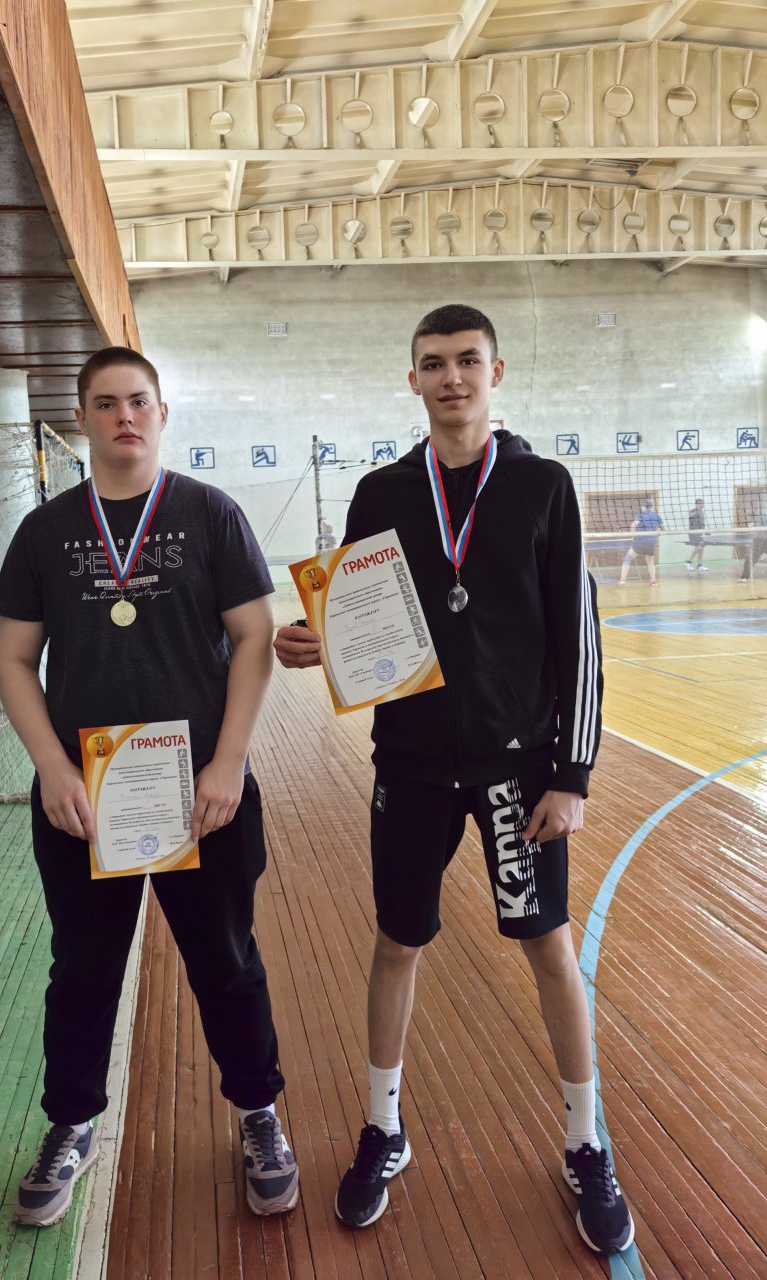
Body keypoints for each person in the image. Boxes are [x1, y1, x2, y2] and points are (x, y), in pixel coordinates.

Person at [274, 304, 634, 1256]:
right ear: (414, 380)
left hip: (520, 770)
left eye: (467, 360)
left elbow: (579, 642)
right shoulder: (382, 493)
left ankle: (585, 1142)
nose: (451, 379)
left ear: (495, 371)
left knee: (548, 946)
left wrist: (572, 775)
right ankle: (383, 1128)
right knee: (397, 942)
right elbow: (362, 626)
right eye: (433, 364)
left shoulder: (545, 486)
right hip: (414, 765)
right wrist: (314, 645)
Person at [0, 347, 298, 1227]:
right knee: (83, 970)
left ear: (162, 414)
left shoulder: (209, 513)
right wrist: (51, 765)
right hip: (84, 798)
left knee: (227, 962)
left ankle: (258, 1113)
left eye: (137, 401)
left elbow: (254, 637)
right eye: (105, 403)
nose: (123, 416)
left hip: (203, 792)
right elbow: (12, 658)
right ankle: (70, 1124)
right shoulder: (44, 531)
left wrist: (229, 760)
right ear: (82, 419)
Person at [618, 498, 665, 586]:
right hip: (651, 542)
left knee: (627, 559)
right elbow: (662, 529)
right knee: (650, 562)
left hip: (640, 542)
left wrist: (633, 536)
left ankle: (622, 580)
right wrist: (655, 537)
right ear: (651, 507)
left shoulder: (640, 515)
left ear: (643, 507)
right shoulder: (657, 516)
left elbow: (633, 525)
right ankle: (653, 581)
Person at [685, 498, 707, 572]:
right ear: (696, 504)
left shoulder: (702, 512)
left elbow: (701, 524)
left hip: (700, 533)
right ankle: (688, 561)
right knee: (698, 548)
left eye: (702, 503)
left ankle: (700, 565)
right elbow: (690, 515)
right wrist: (697, 509)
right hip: (693, 533)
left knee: (701, 549)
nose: (702, 504)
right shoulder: (693, 511)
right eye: (700, 503)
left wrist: (705, 531)